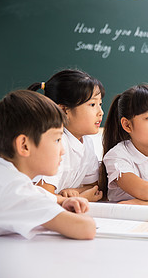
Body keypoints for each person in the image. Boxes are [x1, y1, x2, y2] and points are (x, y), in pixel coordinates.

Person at [0, 90, 95, 240]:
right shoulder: (13, 189)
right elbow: (85, 228)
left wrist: (64, 201)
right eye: (57, 140)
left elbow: (38, 193)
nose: (63, 151)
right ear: (24, 145)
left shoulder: (0, 174)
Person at [28, 69, 104, 202]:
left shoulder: (87, 142)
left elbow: (93, 186)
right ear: (63, 110)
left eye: (100, 104)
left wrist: (74, 192)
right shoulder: (56, 142)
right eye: (92, 104)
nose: (101, 112)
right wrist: (80, 197)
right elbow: (41, 198)